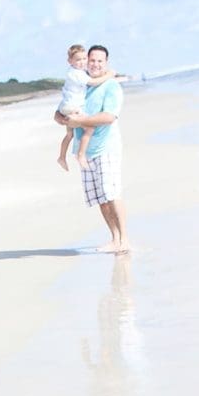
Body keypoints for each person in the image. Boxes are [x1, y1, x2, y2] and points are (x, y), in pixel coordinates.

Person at [55, 44, 130, 253]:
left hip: (106, 147)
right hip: (85, 151)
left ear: (106, 63)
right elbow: (58, 113)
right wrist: (64, 119)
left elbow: (109, 117)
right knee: (100, 198)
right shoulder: (81, 83)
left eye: (100, 61)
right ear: (86, 61)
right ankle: (114, 239)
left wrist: (82, 121)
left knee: (112, 193)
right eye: (92, 60)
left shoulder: (111, 86)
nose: (95, 64)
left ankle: (125, 239)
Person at [56, 44, 117, 171]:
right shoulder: (79, 74)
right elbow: (93, 82)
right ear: (70, 61)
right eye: (78, 60)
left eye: (84, 59)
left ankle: (61, 157)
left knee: (69, 134)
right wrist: (109, 74)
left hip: (66, 105)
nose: (82, 62)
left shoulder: (73, 72)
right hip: (72, 107)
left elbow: (109, 117)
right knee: (89, 128)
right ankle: (81, 154)